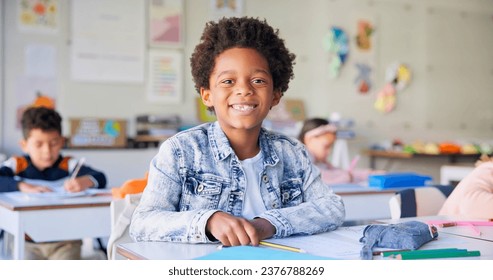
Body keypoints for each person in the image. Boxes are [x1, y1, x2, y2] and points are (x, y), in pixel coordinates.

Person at [130, 17, 345, 247]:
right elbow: (143, 222)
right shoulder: (181, 151)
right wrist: (208, 221)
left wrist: (268, 224)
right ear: (207, 95)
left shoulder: (292, 153)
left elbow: (331, 208)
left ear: (275, 95)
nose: (243, 89)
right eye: (228, 81)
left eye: (258, 80)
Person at [0, 106, 107, 259]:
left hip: (66, 241)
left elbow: (100, 177)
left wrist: (85, 181)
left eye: (54, 143)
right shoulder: (17, 164)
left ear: (62, 141)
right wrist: (22, 186)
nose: (47, 151)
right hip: (27, 242)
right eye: (38, 144)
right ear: (24, 145)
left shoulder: (68, 164)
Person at [298, 118, 383, 185]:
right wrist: (350, 176)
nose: (329, 151)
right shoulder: (300, 159)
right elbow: (321, 177)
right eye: (326, 146)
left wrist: (369, 174)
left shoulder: (320, 162)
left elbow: (339, 172)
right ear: (308, 139)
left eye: (331, 146)